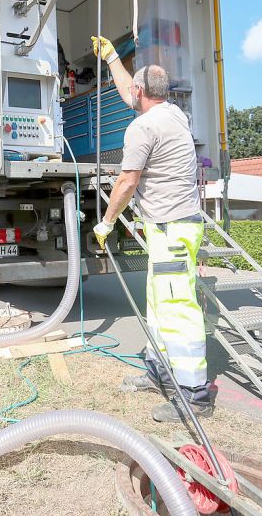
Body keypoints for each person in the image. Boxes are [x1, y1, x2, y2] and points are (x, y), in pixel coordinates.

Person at [89, 36, 216, 423]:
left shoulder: (142, 128)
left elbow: (127, 182)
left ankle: (196, 395)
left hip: (172, 230)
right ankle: (158, 372)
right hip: (174, 229)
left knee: (177, 309)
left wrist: (106, 222)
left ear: (141, 93)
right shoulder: (175, 115)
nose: (131, 94)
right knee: (158, 305)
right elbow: (132, 89)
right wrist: (112, 58)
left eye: (135, 91)